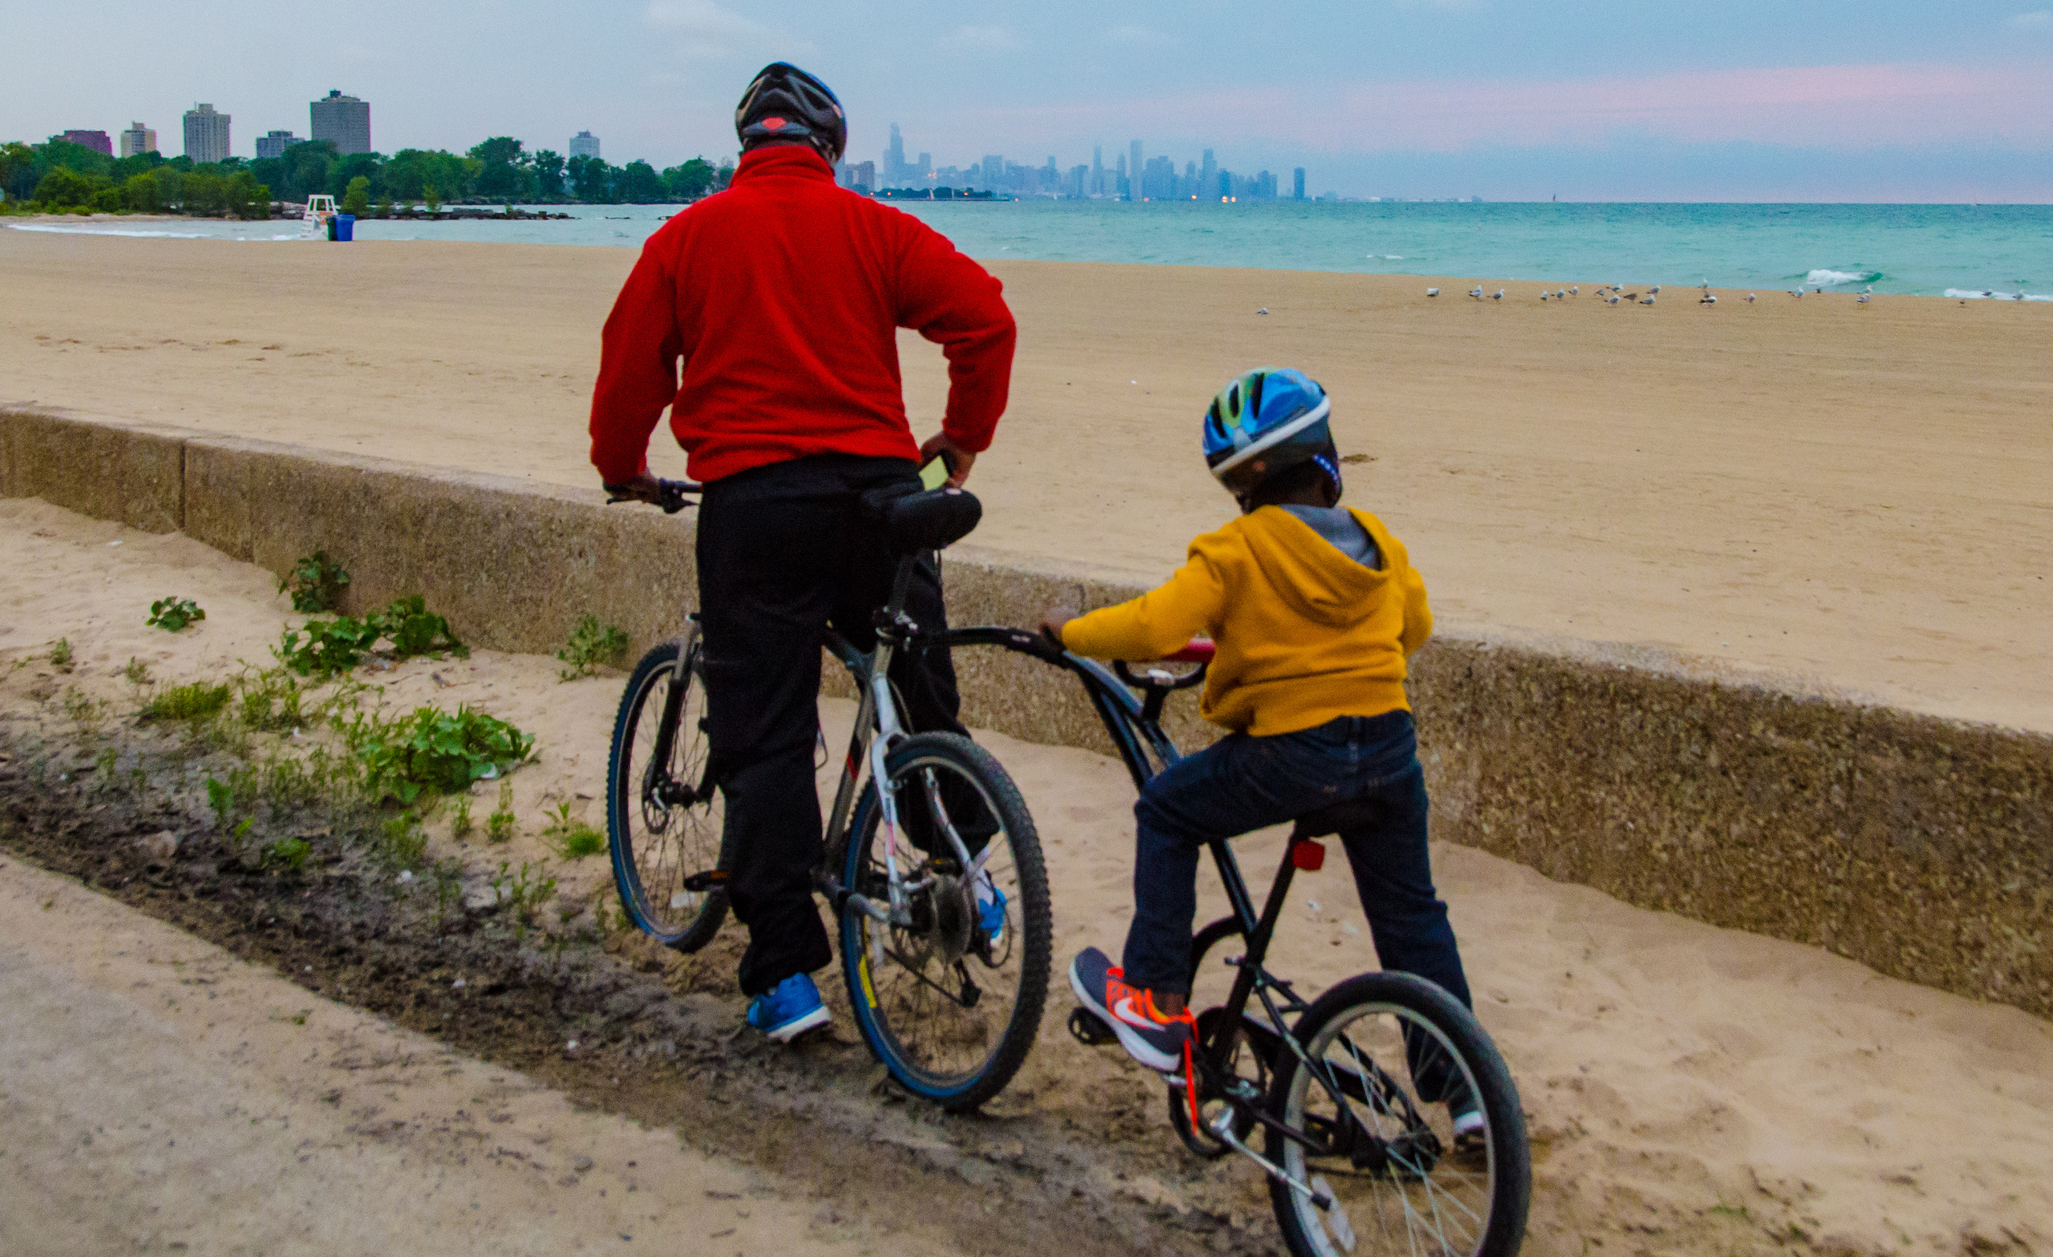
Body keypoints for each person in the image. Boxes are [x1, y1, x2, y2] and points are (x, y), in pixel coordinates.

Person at [591, 61, 1017, 1043]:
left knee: (764, 727)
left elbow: (629, 369)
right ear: (829, 145)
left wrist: (624, 465)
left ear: (744, 146)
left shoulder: (684, 239)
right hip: (878, 498)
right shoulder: (875, 228)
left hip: (757, 505)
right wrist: (962, 436)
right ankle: (968, 876)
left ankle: (785, 972)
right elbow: (985, 319)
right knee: (918, 687)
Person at [1041, 366, 1474, 1075]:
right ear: (1326, 461)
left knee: (1168, 808)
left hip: (1294, 756)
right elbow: (1414, 628)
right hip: (1390, 748)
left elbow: (1155, 625)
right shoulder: (1382, 545)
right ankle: (1463, 1089)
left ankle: (1153, 998)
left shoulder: (1234, 550)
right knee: (1412, 915)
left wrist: (1073, 629)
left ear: (1242, 489)